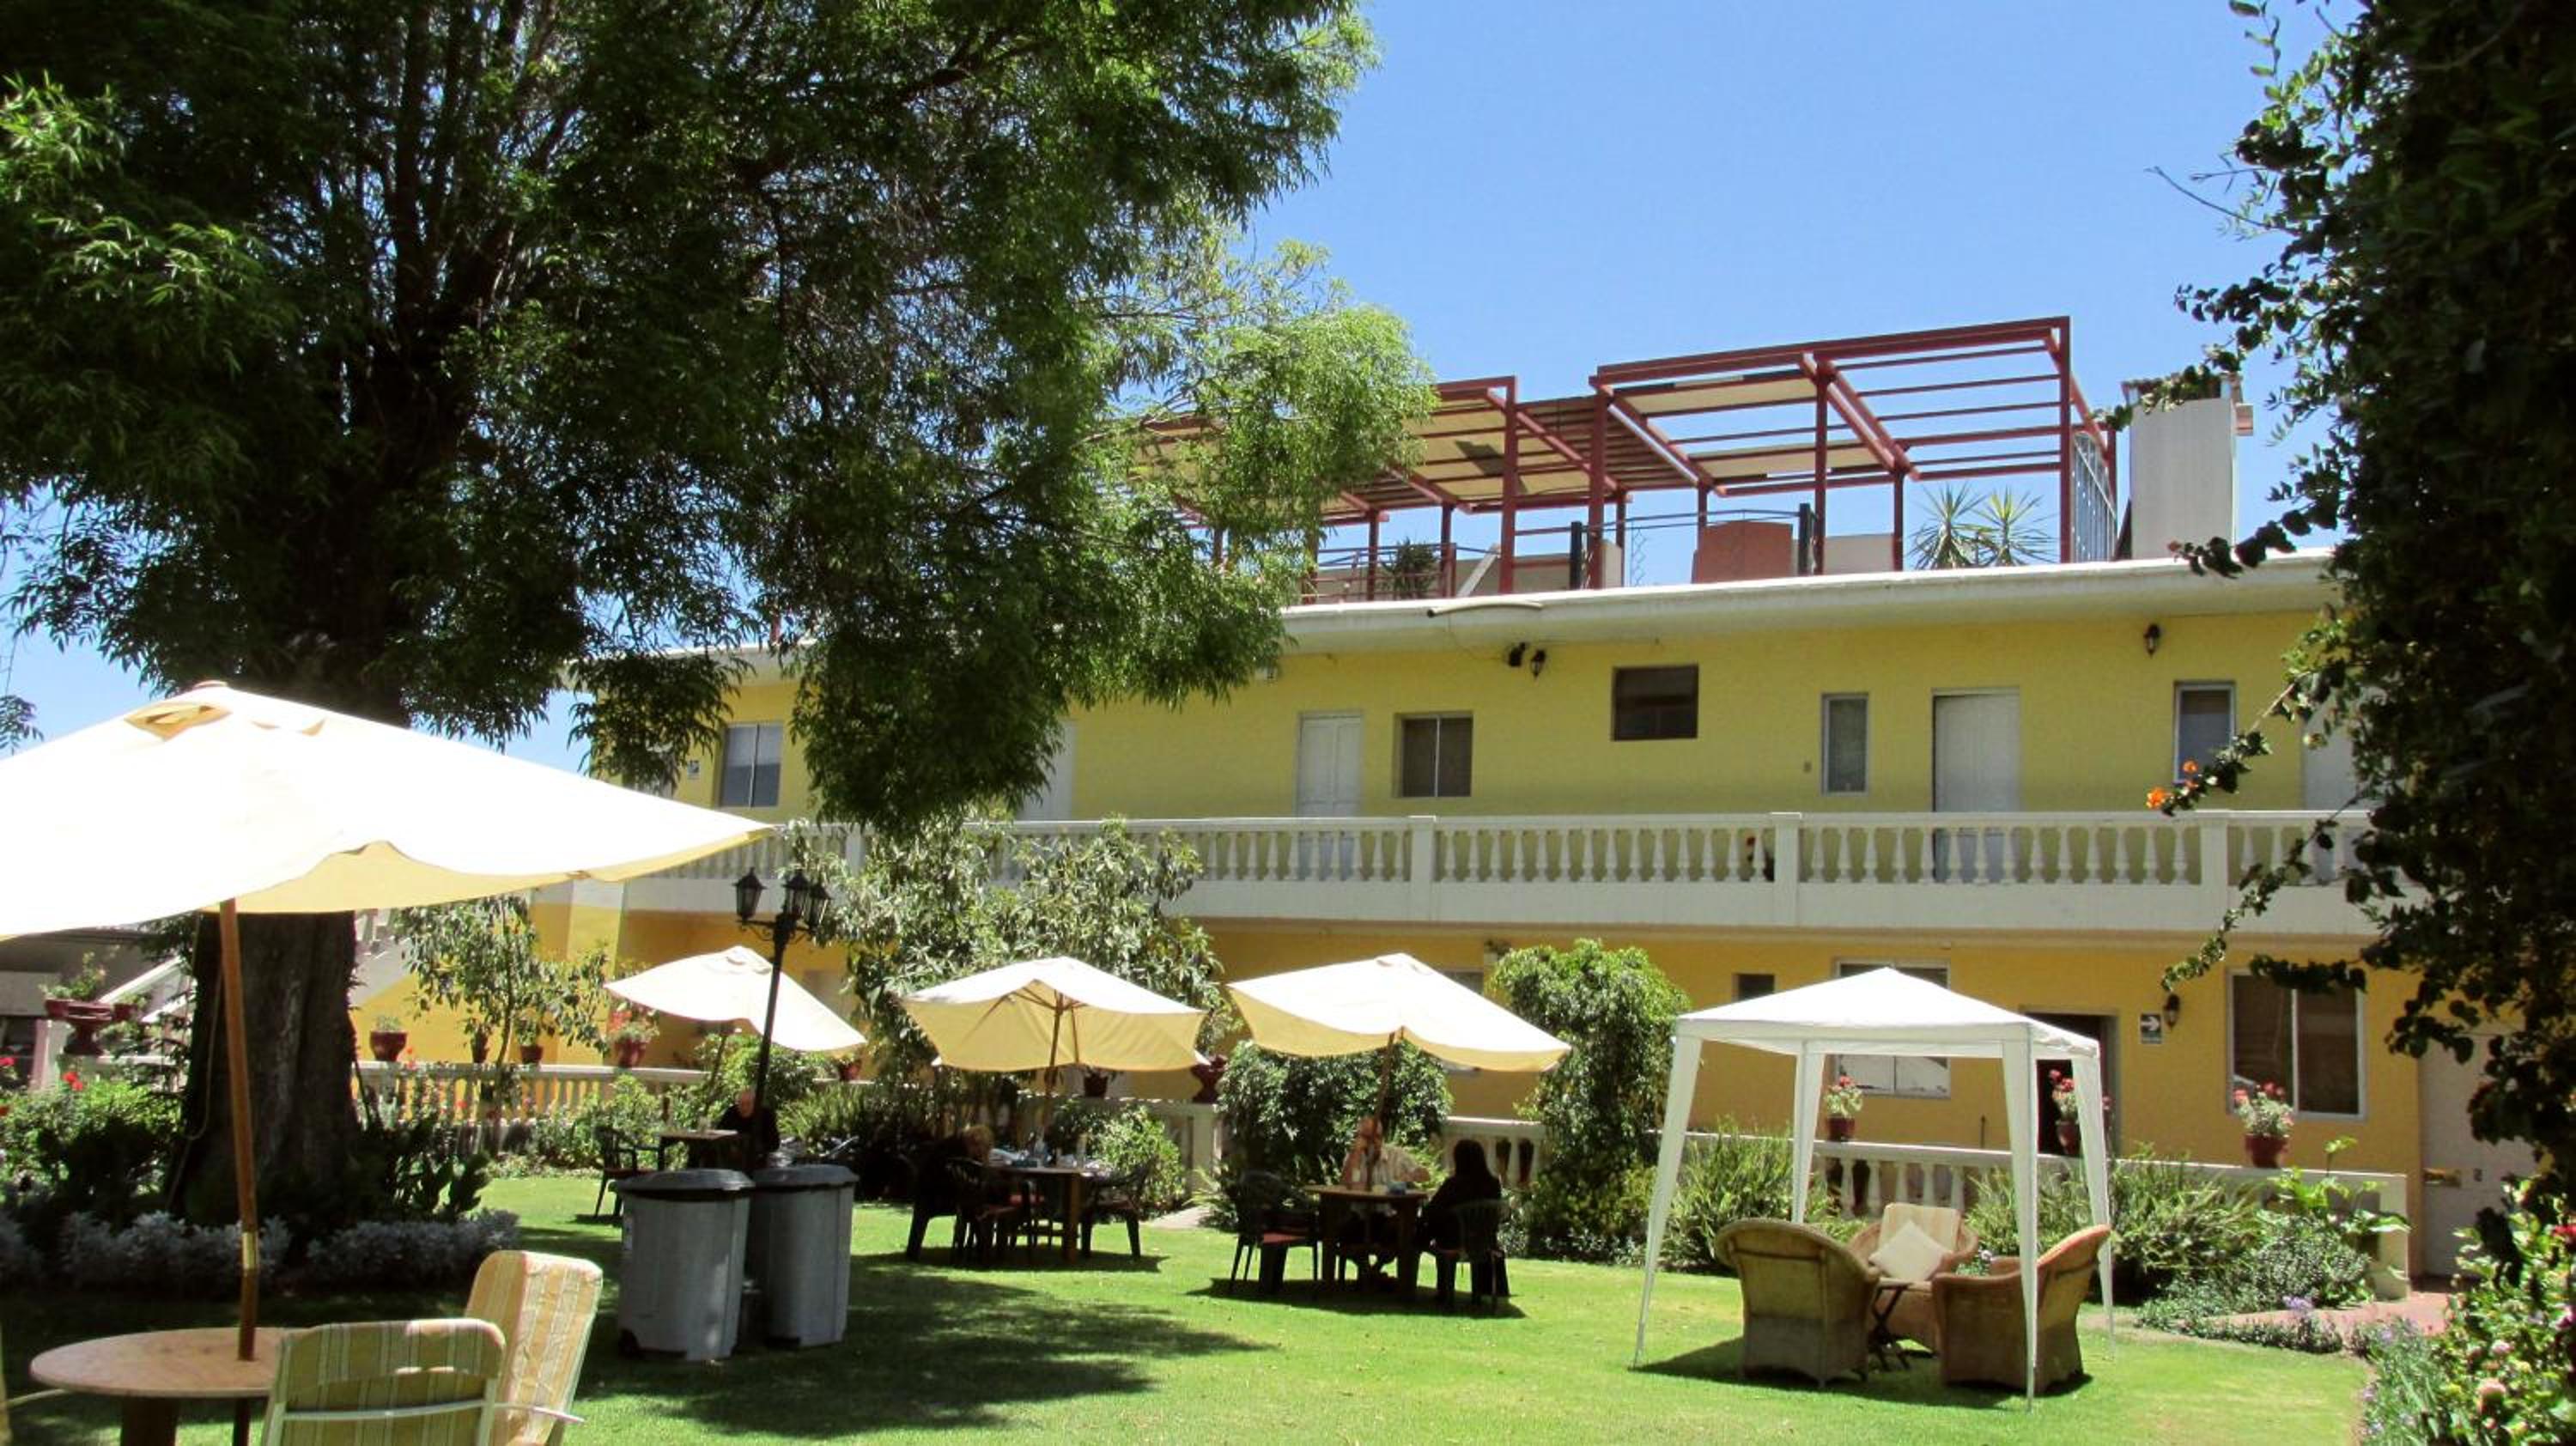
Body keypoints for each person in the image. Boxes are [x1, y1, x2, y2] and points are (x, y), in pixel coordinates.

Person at [1335, 1115, 1427, 1283]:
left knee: (1399, 1231)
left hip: (1389, 1215)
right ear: (1359, 1137)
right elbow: (1346, 1183)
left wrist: (1409, 1176)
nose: (1373, 1142)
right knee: (1341, 1230)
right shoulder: (1354, 1157)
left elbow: (1424, 1174)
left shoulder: (1396, 1155)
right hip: (1362, 1216)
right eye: (1367, 1137)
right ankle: (1369, 1272)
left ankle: (1372, 1272)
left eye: (1377, 1137)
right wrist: (1356, 1152)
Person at [907, 1124, 993, 1258]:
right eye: (980, 1150)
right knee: (975, 1204)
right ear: (974, 1143)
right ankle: (983, 1251)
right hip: (933, 1195)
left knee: (974, 1202)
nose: (979, 1154)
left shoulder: (954, 1145)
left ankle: (981, 1250)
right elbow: (953, 1178)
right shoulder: (954, 1152)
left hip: (931, 1192)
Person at [1421, 1139, 1503, 1252]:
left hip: (1453, 1240)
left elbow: (1431, 1210)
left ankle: (1409, 1251)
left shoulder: (1453, 1184)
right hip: (1484, 1240)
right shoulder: (1493, 1184)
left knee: (1421, 1229)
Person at [714, 1085, 781, 1169]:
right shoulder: (731, 1113)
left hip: (758, 1160)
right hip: (730, 1160)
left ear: (756, 1104)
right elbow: (718, 1134)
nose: (744, 1108)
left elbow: (774, 1144)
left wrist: (755, 1148)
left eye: (748, 1104)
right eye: (741, 1104)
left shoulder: (766, 1115)